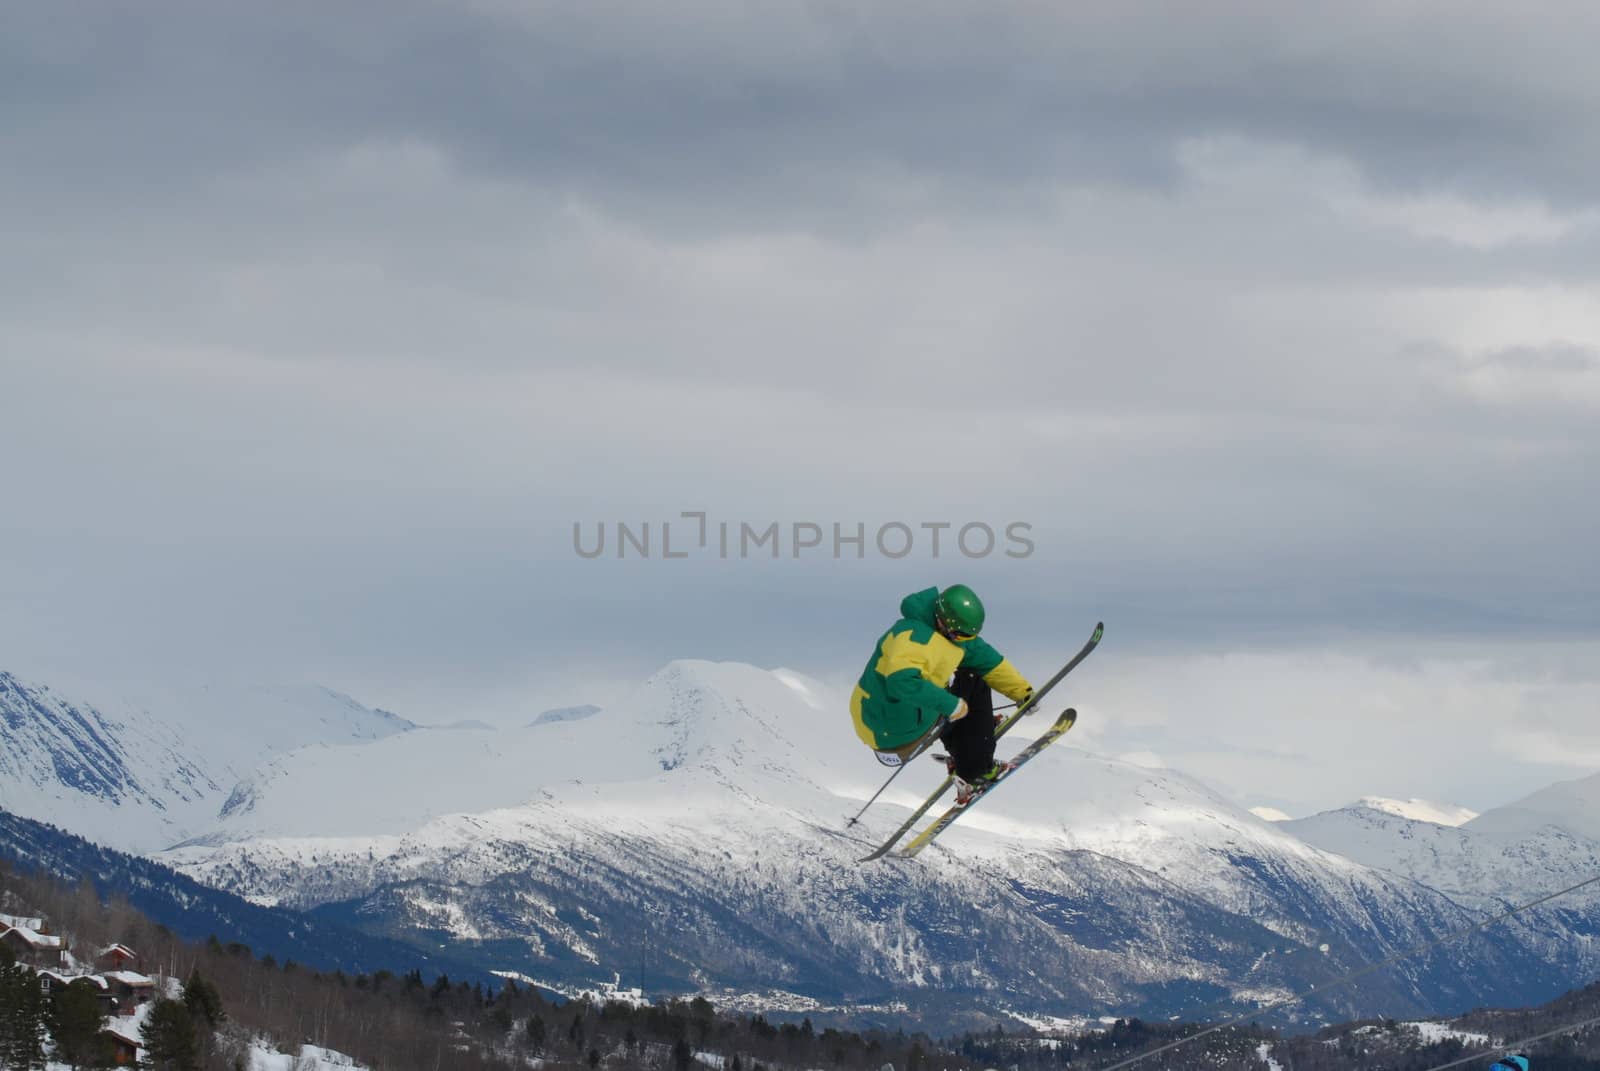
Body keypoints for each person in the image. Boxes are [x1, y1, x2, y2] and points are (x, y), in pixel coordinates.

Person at [851, 584, 1034, 803]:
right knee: (973, 682)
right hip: (896, 729)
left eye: (967, 636)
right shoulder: (914, 638)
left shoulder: (942, 631)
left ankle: (965, 743)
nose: (962, 640)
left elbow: (986, 659)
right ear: (943, 621)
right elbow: (901, 682)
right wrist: (952, 706)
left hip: (876, 721)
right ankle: (975, 772)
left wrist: (1023, 692)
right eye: (959, 634)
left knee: (957, 680)